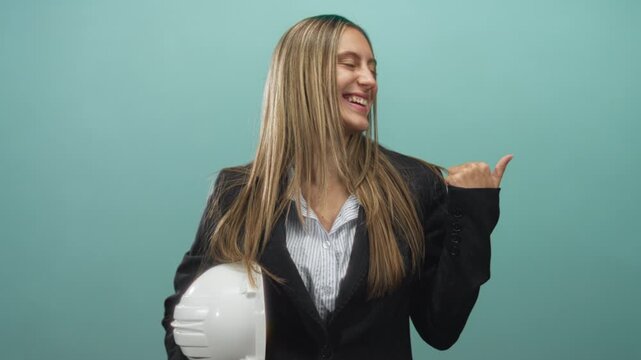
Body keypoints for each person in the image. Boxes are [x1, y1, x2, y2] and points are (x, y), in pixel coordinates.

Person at [162, 14, 512, 360]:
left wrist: (472, 213)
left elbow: (441, 327)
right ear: (303, 75)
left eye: (373, 69)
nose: (369, 80)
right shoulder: (237, 193)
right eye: (351, 64)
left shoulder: (415, 185)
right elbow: (185, 318)